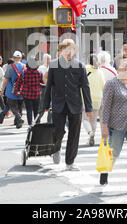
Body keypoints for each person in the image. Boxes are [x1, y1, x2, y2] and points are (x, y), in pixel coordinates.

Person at [44, 39, 93, 171]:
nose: (68, 51)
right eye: (65, 48)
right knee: (58, 131)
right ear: (61, 50)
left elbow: (85, 87)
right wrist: (45, 104)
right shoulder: (54, 64)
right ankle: (56, 149)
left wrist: (89, 108)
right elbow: (49, 86)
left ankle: (70, 161)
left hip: (75, 104)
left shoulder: (80, 65)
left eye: (71, 48)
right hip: (58, 103)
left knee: (74, 133)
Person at [100, 55, 127, 192]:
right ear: (117, 68)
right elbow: (106, 106)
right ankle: (105, 171)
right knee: (114, 152)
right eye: (124, 65)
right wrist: (104, 127)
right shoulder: (111, 84)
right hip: (117, 125)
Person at [83, 54, 105, 146]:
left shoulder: (84, 70)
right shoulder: (99, 72)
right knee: (94, 119)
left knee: (85, 118)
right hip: (97, 99)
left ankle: (89, 132)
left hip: (85, 98)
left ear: (88, 61)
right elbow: (103, 86)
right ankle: (92, 135)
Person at [15, 61, 44, 126]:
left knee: (29, 110)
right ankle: (37, 123)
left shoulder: (23, 72)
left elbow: (19, 82)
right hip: (37, 94)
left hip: (26, 94)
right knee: (36, 110)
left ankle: (30, 124)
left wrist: (18, 90)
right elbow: (42, 82)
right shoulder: (39, 73)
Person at [2, 51, 25, 128]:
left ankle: (18, 118)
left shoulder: (10, 67)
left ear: (14, 58)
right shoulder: (25, 67)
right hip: (21, 90)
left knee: (12, 105)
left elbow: (6, 80)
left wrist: (2, 90)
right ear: (21, 58)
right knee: (19, 106)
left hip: (11, 90)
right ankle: (17, 122)